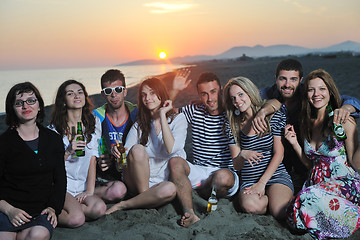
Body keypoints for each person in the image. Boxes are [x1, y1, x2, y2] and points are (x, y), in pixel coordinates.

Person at [252, 58, 360, 191]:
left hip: (312, 170)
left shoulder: (309, 93)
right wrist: (262, 111)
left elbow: (345, 99)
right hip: (279, 163)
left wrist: (347, 108)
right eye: (282, 79)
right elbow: (246, 102)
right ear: (275, 78)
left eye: (293, 79)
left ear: (300, 80)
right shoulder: (265, 95)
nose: (287, 84)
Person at [284, 69, 360, 239]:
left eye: (322, 89)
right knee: (291, 215)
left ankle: (354, 217)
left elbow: (356, 163)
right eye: (311, 90)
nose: (316, 94)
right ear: (306, 94)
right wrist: (295, 143)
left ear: (330, 92)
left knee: (305, 200)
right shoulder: (306, 123)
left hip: (344, 184)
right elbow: (311, 164)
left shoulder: (343, 120)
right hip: (316, 184)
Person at [105, 77, 187, 214]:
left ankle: (125, 204)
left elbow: (170, 148)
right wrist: (117, 152)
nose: (147, 98)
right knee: (137, 149)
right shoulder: (139, 125)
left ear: (161, 93)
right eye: (143, 95)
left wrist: (162, 114)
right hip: (138, 181)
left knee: (171, 189)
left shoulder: (179, 120)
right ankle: (145, 198)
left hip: (161, 180)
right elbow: (125, 159)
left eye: (152, 93)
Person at [168, 71, 240, 227]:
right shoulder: (194, 110)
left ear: (220, 89)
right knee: (175, 162)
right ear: (199, 95)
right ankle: (190, 213)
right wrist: (175, 89)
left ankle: (197, 191)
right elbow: (168, 112)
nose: (210, 99)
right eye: (204, 94)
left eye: (213, 92)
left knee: (221, 178)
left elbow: (260, 104)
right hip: (199, 170)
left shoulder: (233, 112)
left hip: (225, 171)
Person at [0, 82, 66, 240]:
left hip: (40, 211)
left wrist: (53, 208)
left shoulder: (53, 139)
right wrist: (9, 210)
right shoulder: (4, 142)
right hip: (9, 210)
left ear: (39, 105)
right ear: (12, 109)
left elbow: (60, 180)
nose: (25, 106)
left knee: (38, 235)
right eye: (19, 103)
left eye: (31, 100)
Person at [223, 77, 293, 219]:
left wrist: (262, 184)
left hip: (275, 174)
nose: (237, 101)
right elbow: (236, 165)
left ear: (249, 93)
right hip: (250, 179)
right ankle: (269, 200)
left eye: (241, 94)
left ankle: (275, 200)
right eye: (233, 98)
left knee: (279, 212)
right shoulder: (232, 124)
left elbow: (279, 153)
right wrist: (242, 154)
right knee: (252, 207)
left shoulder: (271, 116)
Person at [50, 80, 106, 228]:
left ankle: (71, 210)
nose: (76, 95)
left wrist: (89, 191)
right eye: (70, 93)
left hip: (81, 186)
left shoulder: (94, 123)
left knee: (100, 208)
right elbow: (51, 167)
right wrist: (68, 151)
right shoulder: (53, 131)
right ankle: (49, 212)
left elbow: (92, 159)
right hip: (63, 187)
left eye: (80, 92)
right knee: (76, 220)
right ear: (63, 101)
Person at [92, 69, 134, 202]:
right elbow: (90, 146)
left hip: (131, 170)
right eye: (109, 91)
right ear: (103, 95)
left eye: (118, 89)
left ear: (125, 91)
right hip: (107, 173)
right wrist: (99, 158)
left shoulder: (136, 114)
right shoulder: (97, 117)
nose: (114, 95)